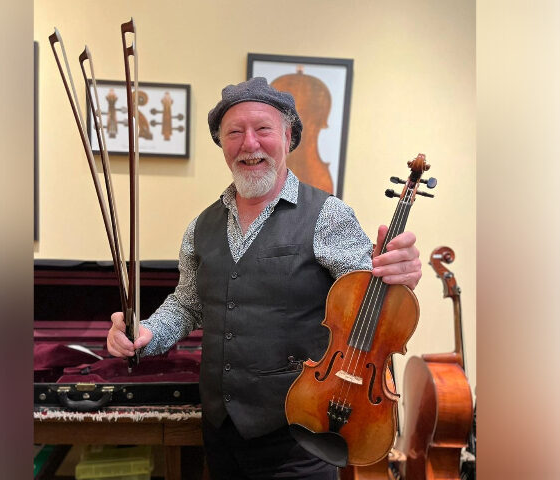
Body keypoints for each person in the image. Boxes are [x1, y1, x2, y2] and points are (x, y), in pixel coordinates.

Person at [107, 77, 422, 479]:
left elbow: (369, 307)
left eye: (263, 130)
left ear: (288, 137)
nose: (249, 144)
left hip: (301, 433)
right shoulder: (200, 226)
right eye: (234, 132)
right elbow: (187, 304)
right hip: (220, 429)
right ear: (222, 144)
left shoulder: (328, 216)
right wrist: (147, 333)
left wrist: (399, 276)